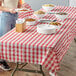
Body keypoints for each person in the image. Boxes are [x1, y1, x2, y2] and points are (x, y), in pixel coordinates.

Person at [0, 0, 24, 71]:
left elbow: (18, 3)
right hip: (6, 16)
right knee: (4, 39)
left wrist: (20, 7)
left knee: (14, 38)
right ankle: (2, 61)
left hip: (15, 15)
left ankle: (13, 57)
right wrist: (9, 9)